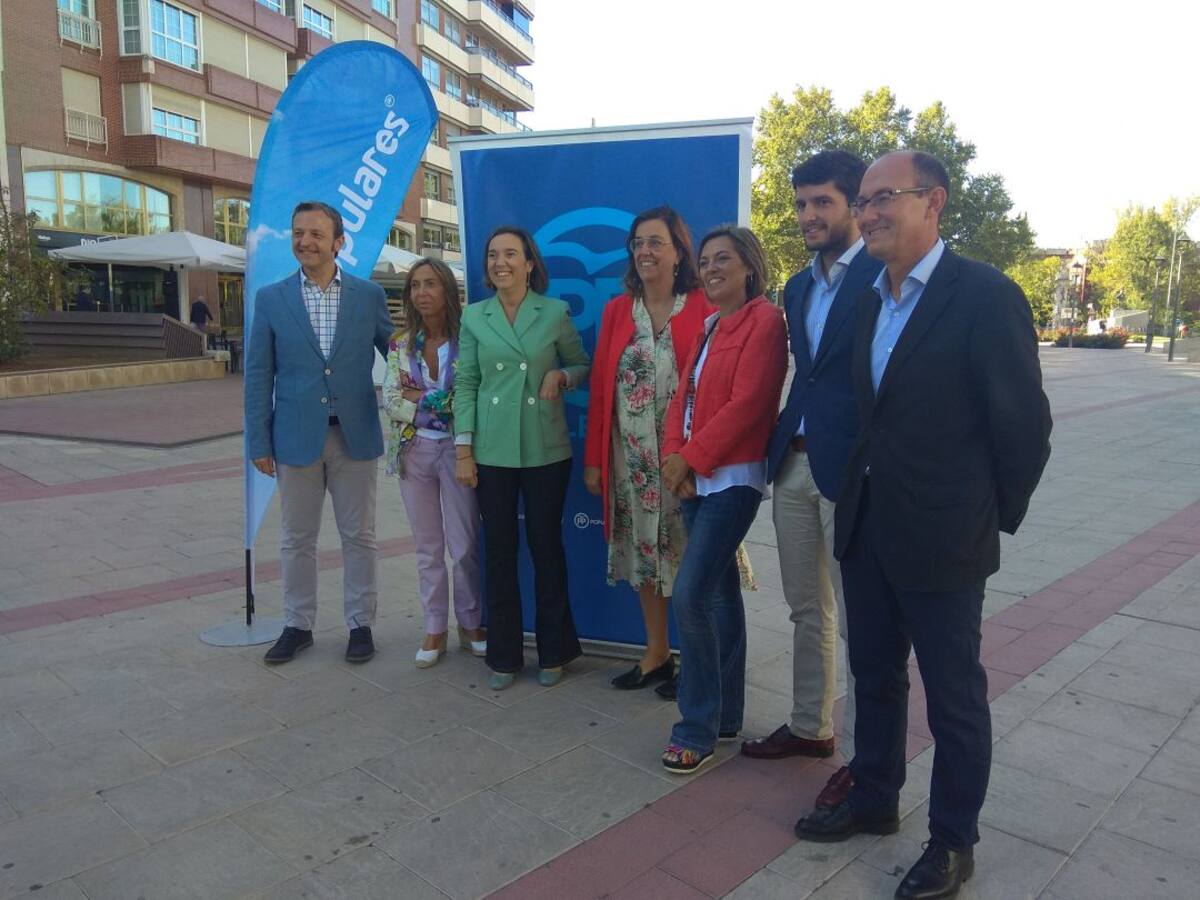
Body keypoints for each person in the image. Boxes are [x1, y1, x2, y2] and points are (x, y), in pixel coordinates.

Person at [793, 152, 1052, 900]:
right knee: (874, 676)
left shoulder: (984, 296)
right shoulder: (872, 300)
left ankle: (952, 841)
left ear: (933, 202)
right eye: (863, 201)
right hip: (869, 524)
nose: (867, 213)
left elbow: (1023, 428)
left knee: (953, 695)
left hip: (945, 538)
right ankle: (875, 797)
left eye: (883, 199)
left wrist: (990, 517)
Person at [741, 152, 882, 811]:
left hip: (856, 471)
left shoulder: (887, 276)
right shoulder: (799, 287)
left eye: (822, 202)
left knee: (861, 622)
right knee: (806, 608)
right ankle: (809, 727)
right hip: (794, 462)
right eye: (800, 204)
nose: (807, 215)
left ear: (855, 204)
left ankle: (863, 761)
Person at [658, 225, 787, 774]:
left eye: (724, 260)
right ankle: (727, 715)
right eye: (706, 261)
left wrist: (691, 458)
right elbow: (682, 398)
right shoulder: (709, 325)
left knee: (688, 595)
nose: (711, 269)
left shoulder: (765, 321)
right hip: (695, 477)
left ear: (749, 267)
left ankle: (696, 725)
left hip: (732, 478)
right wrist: (673, 458)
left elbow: (749, 404)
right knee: (718, 597)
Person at [244, 200, 394, 666]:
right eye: (297, 233)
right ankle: (297, 625)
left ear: (338, 242)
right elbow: (257, 375)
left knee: (360, 537)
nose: (304, 241)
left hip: (355, 436)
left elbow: (397, 355)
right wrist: (258, 441)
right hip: (294, 438)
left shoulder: (369, 296)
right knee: (296, 539)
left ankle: (360, 624)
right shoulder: (272, 298)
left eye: (314, 234)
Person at [453, 226, 590, 691]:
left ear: (530, 263)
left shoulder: (553, 312)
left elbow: (581, 363)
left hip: (544, 448)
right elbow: (467, 383)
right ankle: (504, 655)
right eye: (493, 255)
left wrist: (563, 377)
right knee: (499, 552)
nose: (500, 263)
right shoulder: (474, 316)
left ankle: (555, 650)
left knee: (546, 548)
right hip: (491, 451)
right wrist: (464, 450)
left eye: (511, 254)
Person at [583, 207, 712, 697]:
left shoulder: (703, 306)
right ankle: (656, 654)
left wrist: (699, 458)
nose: (645, 251)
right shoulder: (619, 310)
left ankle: (698, 662)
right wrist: (596, 461)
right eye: (638, 243)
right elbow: (601, 388)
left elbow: (716, 390)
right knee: (644, 557)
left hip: (687, 465)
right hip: (632, 461)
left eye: (656, 242)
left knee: (690, 564)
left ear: (679, 251)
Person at [381, 257, 485, 668]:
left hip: (459, 452)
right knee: (427, 548)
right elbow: (390, 400)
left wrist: (418, 399)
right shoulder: (399, 344)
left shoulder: (468, 340)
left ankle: (472, 622)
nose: (421, 293)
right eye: (415, 285)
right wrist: (437, 404)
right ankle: (435, 626)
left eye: (430, 284)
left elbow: (469, 400)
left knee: (464, 546)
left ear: (447, 290)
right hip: (413, 452)